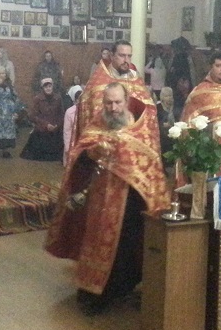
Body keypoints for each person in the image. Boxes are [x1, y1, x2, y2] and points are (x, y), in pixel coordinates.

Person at [45, 83, 170, 316]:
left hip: (133, 200)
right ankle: (96, 293)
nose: (113, 108)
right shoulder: (97, 125)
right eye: (108, 103)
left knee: (129, 245)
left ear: (126, 100)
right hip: (102, 199)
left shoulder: (140, 127)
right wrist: (93, 152)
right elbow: (79, 156)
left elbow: (151, 161)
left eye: (117, 102)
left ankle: (124, 287)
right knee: (99, 243)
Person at [20, 78, 64, 161]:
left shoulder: (58, 98)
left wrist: (57, 125)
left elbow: (61, 114)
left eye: (49, 86)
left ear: (52, 87)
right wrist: (45, 124)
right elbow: (33, 116)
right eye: (45, 87)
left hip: (55, 130)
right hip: (41, 131)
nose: (48, 88)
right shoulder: (37, 99)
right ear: (42, 88)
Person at [156, 86, 176, 172]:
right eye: (166, 96)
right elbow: (155, 122)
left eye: (170, 95)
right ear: (162, 97)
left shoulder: (175, 107)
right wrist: (162, 125)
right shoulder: (157, 108)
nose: (169, 98)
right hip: (162, 137)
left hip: (174, 136)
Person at [63, 86, 82, 167]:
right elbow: (67, 131)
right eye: (78, 99)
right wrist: (67, 147)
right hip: (72, 141)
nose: (80, 102)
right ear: (74, 101)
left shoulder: (87, 110)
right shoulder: (69, 112)